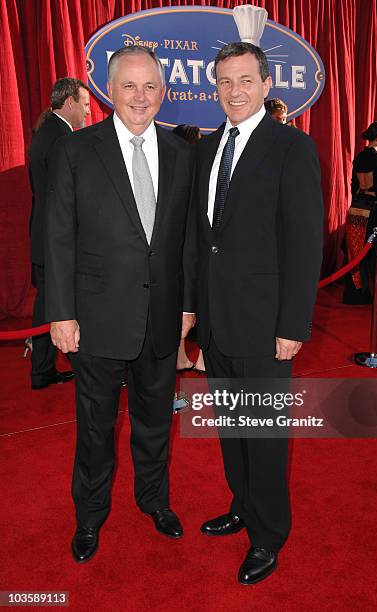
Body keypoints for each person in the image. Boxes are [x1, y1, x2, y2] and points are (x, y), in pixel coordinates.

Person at [44, 46, 196, 563]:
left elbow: (188, 240)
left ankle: (154, 500)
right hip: (95, 319)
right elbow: (58, 234)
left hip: (161, 318)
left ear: (163, 91)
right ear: (110, 92)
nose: (140, 96)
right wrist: (61, 313)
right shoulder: (78, 149)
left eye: (150, 86)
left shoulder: (181, 152)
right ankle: (89, 515)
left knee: (156, 421)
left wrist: (189, 305)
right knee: (95, 428)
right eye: (129, 86)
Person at [194, 42, 323, 584]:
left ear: (268, 84)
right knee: (231, 426)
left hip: (267, 323)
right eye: (224, 82)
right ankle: (243, 504)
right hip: (218, 319)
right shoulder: (206, 147)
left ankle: (268, 536)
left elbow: (304, 241)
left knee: (265, 433)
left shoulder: (292, 148)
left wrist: (292, 325)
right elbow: (204, 240)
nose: (234, 91)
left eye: (245, 80)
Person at [29, 77, 90, 390]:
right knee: (54, 305)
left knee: (46, 305)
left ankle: (42, 368)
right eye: (85, 105)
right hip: (54, 239)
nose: (88, 113)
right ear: (70, 103)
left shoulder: (47, 132)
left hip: (42, 235)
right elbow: (63, 197)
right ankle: (50, 369)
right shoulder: (61, 138)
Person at [343, 121, 377, 305]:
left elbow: (353, 186)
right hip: (373, 210)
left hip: (356, 208)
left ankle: (356, 293)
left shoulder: (359, 157)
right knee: (376, 253)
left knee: (355, 251)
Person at [172, 124, 206, 374]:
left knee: (178, 302)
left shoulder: (167, 165)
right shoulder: (199, 167)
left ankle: (181, 357)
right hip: (198, 244)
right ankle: (203, 357)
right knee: (205, 301)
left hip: (176, 247)